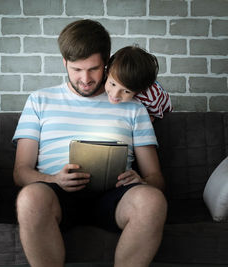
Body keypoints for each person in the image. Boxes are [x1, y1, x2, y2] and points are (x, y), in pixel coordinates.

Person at [12, 19, 167, 267]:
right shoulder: (39, 101)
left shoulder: (132, 105)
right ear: (64, 63)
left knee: (152, 200)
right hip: (57, 196)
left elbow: (156, 178)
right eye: (76, 69)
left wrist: (142, 181)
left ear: (107, 63)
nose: (85, 79)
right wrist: (54, 180)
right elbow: (20, 173)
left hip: (115, 198)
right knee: (29, 197)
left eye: (94, 69)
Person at [105, 46, 173, 120]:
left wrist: (149, 117)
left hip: (160, 110)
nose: (115, 94)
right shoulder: (110, 70)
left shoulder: (150, 98)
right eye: (113, 84)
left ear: (138, 91)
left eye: (126, 91)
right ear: (107, 73)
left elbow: (156, 116)